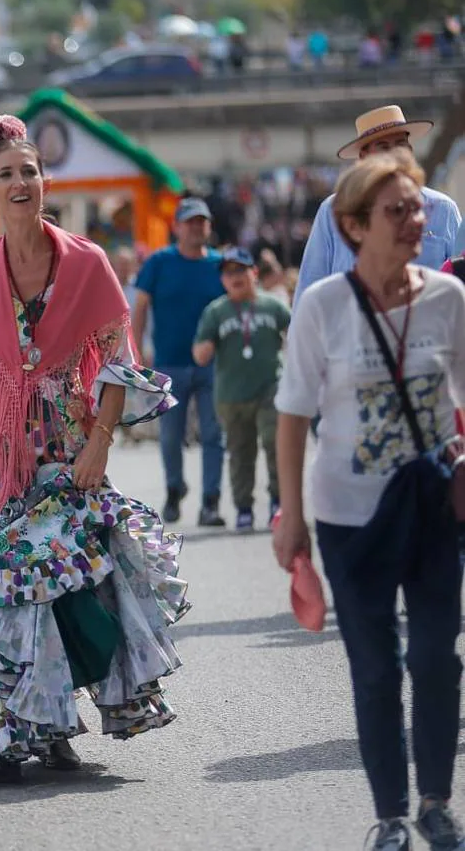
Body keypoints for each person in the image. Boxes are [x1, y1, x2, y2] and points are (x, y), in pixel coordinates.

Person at [0, 116, 186, 781]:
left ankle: (47, 726)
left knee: (59, 585)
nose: (21, 181)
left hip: (66, 453)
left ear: (44, 181)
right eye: (6, 175)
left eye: (29, 171)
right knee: (4, 589)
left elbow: (119, 364)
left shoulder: (88, 264)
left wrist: (101, 444)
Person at [273, 149, 465, 851]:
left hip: (434, 503)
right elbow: (292, 416)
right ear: (354, 226)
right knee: (378, 666)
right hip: (349, 514)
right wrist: (292, 515)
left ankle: (438, 803)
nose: (418, 220)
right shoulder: (322, 308)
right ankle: (390, 816)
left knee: (438, 658)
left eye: (419, 207)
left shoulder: (449, 298)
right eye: (399, 211)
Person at [293, 105, 462, 310]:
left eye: (401, 143)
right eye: (383, 146)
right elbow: (310, 285)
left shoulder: (443, 208)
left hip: (428, 331)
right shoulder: (334, 210)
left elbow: (460, 274)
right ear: (363, 158)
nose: (396, 153)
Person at [132, 198, 227, 526]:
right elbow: (141, 306)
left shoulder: (220, 264)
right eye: (190, 222)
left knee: (214, 434)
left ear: (209, 227)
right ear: (177, 227)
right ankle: (174, 489)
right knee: (171, 436)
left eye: (202, 222)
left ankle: (210, 502)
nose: (196, 227)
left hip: (212, 365)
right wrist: (137, 348)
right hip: (168, 363)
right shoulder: (159, 262)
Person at [192, 248, 291, 531]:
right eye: (228, 273)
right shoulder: (216, 311)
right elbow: (199, 352)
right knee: (240, 452)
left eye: (240, 270)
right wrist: (205, 348)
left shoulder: (273, 306)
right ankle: (244, 507)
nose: (235, 277)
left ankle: (278, 502)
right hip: (232, 396)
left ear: (254, 273)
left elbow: (297, 331)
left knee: (275, 443)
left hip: (270, 388)